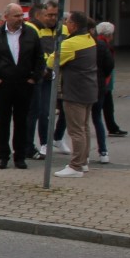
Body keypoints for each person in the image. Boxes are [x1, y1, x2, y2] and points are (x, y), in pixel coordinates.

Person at [0, 5, 44, 170]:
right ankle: (2, 156)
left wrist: (34, 78)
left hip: (24, 84)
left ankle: (20, 156)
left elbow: (39, 58)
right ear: (6, 16)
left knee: (21, 122)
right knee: (3, 122)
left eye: (21, 15)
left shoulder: (30, 33)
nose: (20, 18)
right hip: (4, 84)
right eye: (16, 16)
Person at [52, 11, 98, 178]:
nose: (65, 24)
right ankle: (83, 162)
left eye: (68, 21)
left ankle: (75, 166)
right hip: (89, 89)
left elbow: (52, 61)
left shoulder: (71, 43)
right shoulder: (89, 39)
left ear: (74, 25)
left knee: (76, 130)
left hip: (75, 91)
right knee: (84, 128)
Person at [27, 1, 59, 160]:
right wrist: (45, 69)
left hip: (51, 75)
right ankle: (28, 146)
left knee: (46, 112)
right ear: (41, 15)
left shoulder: (60, 29)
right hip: (39, 75)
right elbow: (37, 54)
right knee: (35, 112)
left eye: (55, 15)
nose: (52, 18)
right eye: (49, 15)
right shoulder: (35, 29)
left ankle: (49, 142)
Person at [96, 21, 127, 138]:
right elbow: (109, 64)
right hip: (104, 79)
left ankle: (112, 126)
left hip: (102, 78)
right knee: (105, 105)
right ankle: (112, 127)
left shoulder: (97, 42)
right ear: (108, 34)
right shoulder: (104, 45)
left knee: (106, 104)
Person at [91, 22, 116, 163]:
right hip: (99, 85)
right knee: (97, 118)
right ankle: (103, 151)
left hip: (88, 85)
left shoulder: (92, 44)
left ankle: (84, 155)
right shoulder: (102, 45)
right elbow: (110, 65)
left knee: (83, 123)